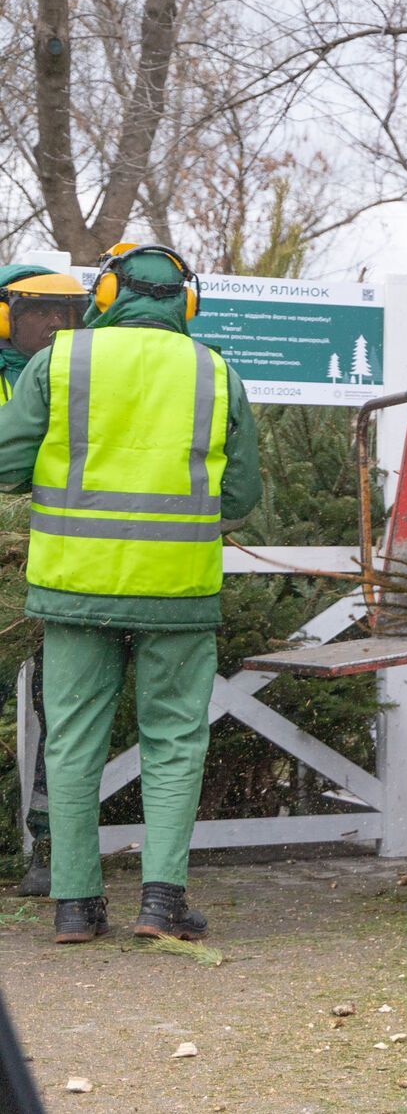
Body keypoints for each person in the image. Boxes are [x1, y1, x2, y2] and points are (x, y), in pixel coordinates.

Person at [0, 245, 261, 943]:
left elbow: (4, 464)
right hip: (177, 591)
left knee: (74, 743)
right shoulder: (216, 372)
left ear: (106, 294)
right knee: (174, 741)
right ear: (188, 303)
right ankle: (161, 902)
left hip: (74, 585)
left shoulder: (58, 360)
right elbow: (240, 495)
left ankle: (76, 905)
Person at [0, 266, 89, 899]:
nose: (57, 326)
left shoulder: (76, 377)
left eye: (69, 313)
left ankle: (47, 848)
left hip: (57, 564)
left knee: (57, 711)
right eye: (41, 313)